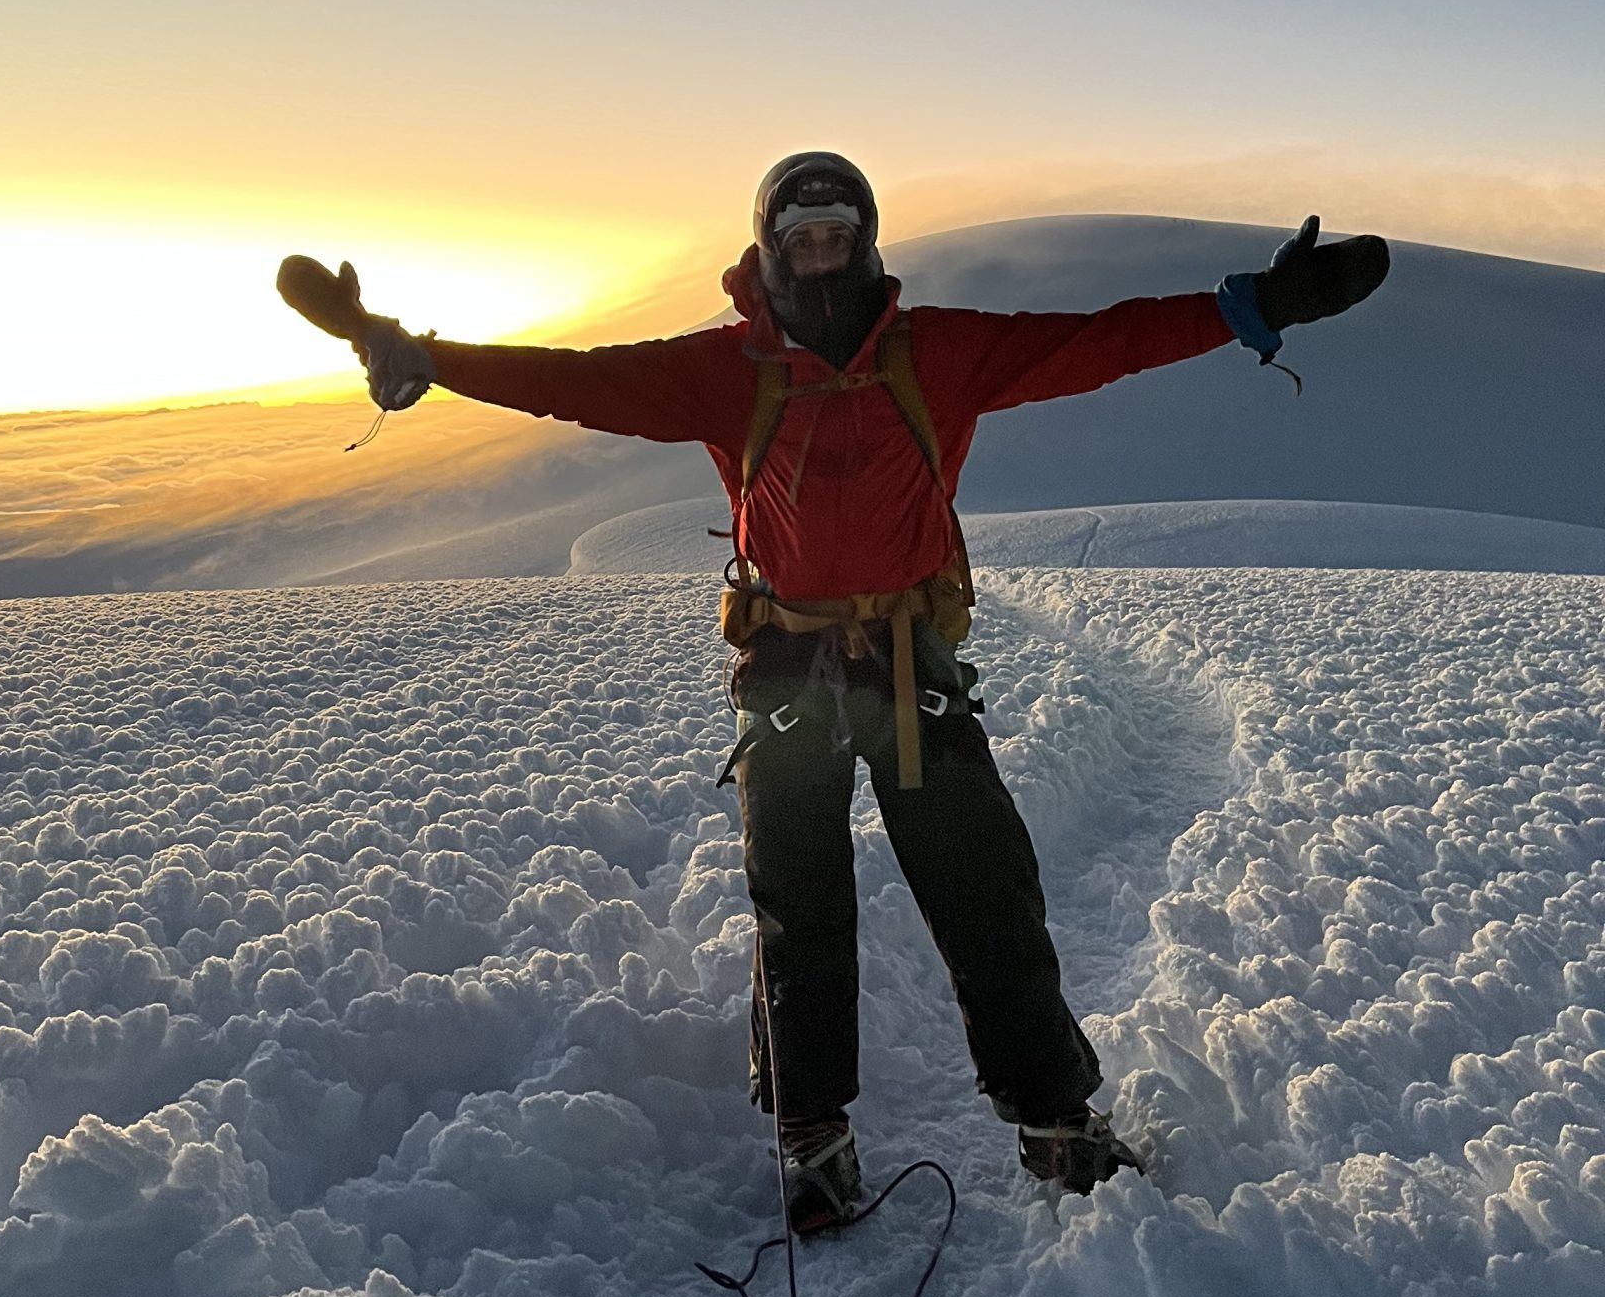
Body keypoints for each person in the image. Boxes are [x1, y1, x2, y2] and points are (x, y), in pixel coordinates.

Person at [278, 155, 1389, 1232]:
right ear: (768, 247)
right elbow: (576, 379)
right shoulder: (727, 369)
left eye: (839, 236)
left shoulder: (937, 351)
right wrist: (413, 350)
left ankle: (1055, 1119)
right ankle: (812, 1136)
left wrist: (1248, 305)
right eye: (801, 238)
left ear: (866, 243)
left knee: (985, 891)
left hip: (910, 658)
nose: (820, 256)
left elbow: (1094, 343)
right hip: (788, 663)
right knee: (795, 904)